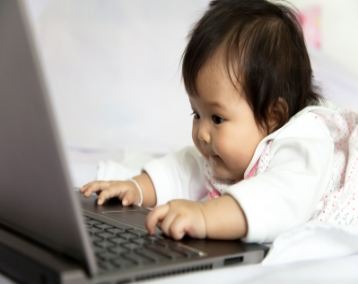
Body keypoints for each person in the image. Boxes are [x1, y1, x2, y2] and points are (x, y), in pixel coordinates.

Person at [81, 0, 358, 243]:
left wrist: (204, 216)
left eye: (217, 118)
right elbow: (187, 168)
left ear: (273, 116)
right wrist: (136, 188)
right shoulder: (225, 154)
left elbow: (277, 200)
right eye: (196, 114)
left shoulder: (304, 143)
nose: (201, 132)